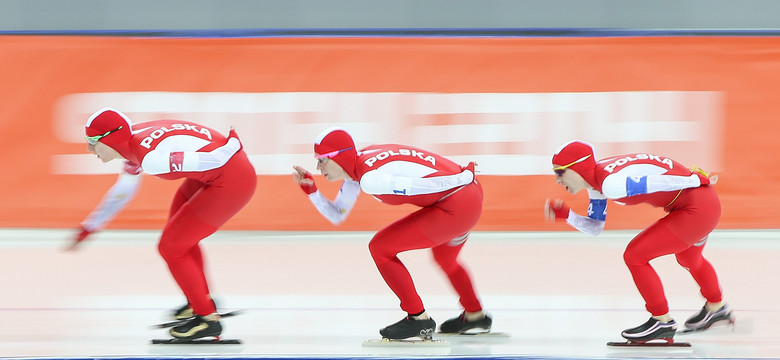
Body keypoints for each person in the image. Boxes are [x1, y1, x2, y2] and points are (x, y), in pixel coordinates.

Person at [68, 108, 257, 340]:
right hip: (211, 176)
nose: (88, 149)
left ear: (110, 138)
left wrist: (233, 144)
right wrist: (90, 227)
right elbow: (123, 192)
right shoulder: (130, 143)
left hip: (232, 181)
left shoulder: (152, 159)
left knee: (171, 247)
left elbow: (215, 158)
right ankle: (199, 299)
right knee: (178, 238)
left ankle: (207, 319)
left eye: (92, 141)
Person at [292, 127, 491, 340]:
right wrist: (312, 191)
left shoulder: (370, 178)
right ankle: (475, 314)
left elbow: (424, 185)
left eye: (323, 160)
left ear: (340, 157)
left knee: (380, 248)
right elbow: (338, 214)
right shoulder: (358, 167)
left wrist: (464, 176)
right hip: (468, 196)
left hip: (458, 202)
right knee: (445, 258)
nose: (318, 167)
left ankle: (418, 319)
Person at [544, 139, 734, 343]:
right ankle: (717, 308)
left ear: (577, 168)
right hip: (702, 203)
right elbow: (595, 228)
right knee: (690, 260)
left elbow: (656, 182)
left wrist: (694, 180)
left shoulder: (611, 183)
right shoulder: (598, 182)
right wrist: (568, 215)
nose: (557, 180)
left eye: (560, 172)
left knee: (635, 255)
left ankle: (661, 321)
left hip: (697, 207)